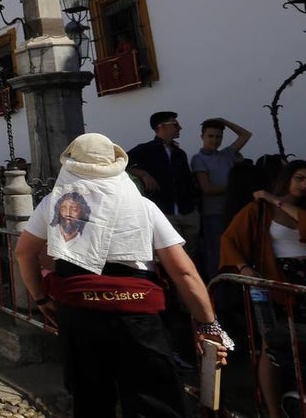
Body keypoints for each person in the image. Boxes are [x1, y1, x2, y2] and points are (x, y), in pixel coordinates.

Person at [15, 133, 231, 418]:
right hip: (137, 313)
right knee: (154, 400)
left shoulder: (55, 205)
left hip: (80, 314)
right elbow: (183, 271)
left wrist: (41, 299)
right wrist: (207, 324)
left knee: (91, 400)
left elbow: (24, 253)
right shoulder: (143, 207)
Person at [220, 160, 306, 418]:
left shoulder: (280, 204)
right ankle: (272, 410)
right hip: (276, 279)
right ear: (287, 178)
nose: (304, 184)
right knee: (272, 344)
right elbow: (230, 239)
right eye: (299, 177)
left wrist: (274, 199)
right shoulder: (258, 209)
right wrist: (244, 267)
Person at [128, 111, 201, 256]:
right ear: (161, 127)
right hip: (164, 211)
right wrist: (143, 173)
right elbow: (121, 162)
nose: (179, 127)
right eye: (175, 124)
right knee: (176, 252)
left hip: (187, 210)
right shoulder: (146, 149)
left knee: (193, 252)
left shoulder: (180, 153)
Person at [190, 117, 252, 276]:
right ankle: (217, 293)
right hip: (214, 214)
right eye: (210, 136)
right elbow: (207, 188)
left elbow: (245, 135)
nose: (215, 140)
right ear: (202, 137)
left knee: (238, 251)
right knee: (216, 254)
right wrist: (235, 188)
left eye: (218, 137)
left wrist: (225, 121)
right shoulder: (199, 159)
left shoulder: (227, 154)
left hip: (234, 211)